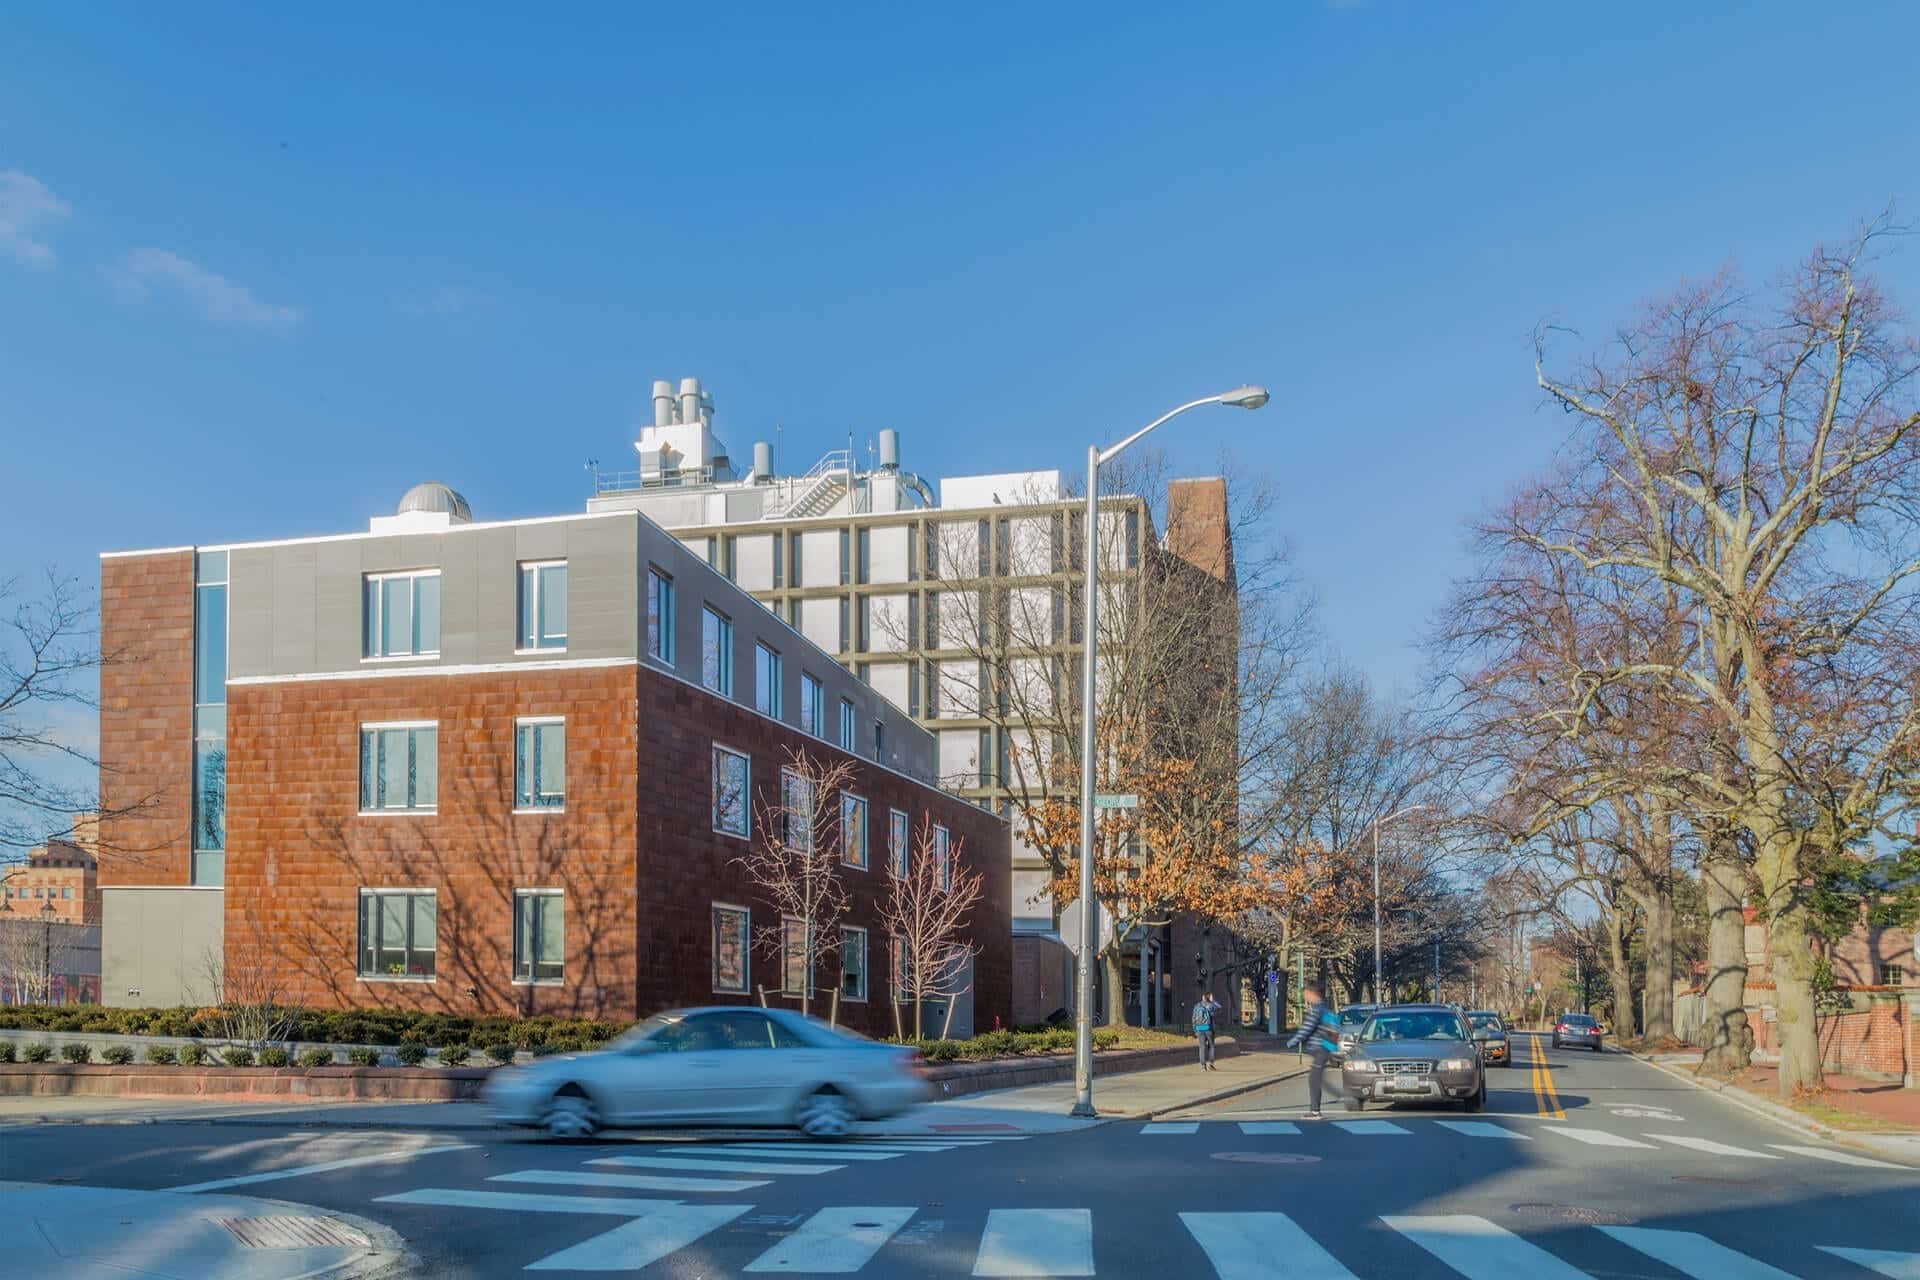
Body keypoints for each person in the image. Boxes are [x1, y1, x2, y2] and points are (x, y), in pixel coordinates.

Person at [1286, 983, 1343, 1119]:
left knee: (1314, 1079)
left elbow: (1307, 1028)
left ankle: (1315, 1111)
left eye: (1306, 994)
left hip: (1320, 1048)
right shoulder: (1325, 1009)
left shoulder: (1316, 1010)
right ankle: (1317, 1109)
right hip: (1325, 1048)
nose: (1305, 997)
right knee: (1316, 1078)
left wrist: (1292, 1042)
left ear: (1313, 994)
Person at [1191, 991, 1222, 1070]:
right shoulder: (1211, 1006)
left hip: (1199, 1029)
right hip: (1209, 1029)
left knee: (1202, 1047)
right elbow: (1219, 1007)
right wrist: (1213, 1001)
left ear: (1203, 997)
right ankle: (1211, 1064)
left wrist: (1195, 1030)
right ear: (1209, 997)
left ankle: (1203, 1066)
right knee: (1211, 1046)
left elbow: (1194, 1018)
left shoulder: (1197, 1005)